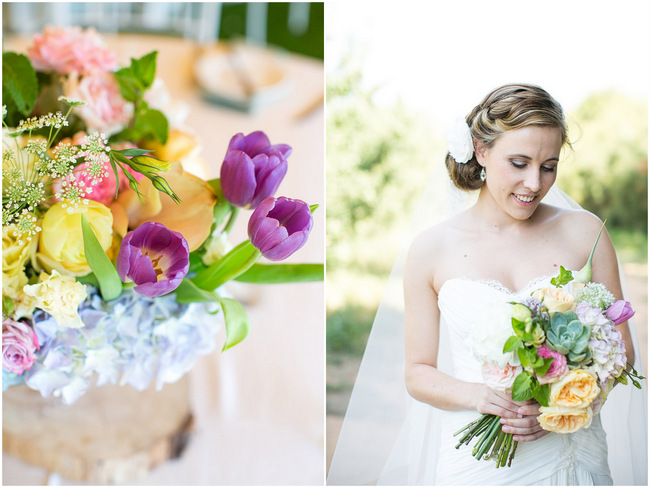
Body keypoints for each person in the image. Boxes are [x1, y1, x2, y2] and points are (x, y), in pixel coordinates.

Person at [327, 83, 647, 486]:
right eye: (519, 163)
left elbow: (621, 352)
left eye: (549, 166)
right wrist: (481, 397)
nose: (534, 182)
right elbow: (418, 372)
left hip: (573, 456)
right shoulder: (431, 249)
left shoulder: (586, 232)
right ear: (481, 150)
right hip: (477, 468)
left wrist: (566, 409)